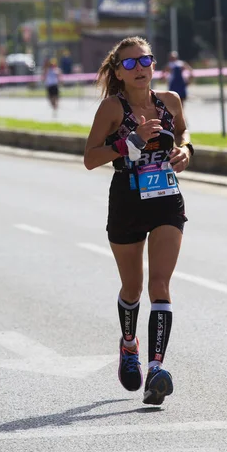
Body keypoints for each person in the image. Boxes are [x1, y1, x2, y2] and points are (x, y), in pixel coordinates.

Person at [84, 36, 194, 406]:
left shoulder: (170, 101)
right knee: (132, 287)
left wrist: (186, 150)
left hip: (166, 198)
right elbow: (89, 158)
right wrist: (128, 143)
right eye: (130, 64)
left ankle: (156, 369)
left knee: (160, 284)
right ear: (118, 71)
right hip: (128, 200)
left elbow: (182, 130)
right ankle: (129, 345)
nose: (140, 69)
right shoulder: (111, 109)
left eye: (145, 61)